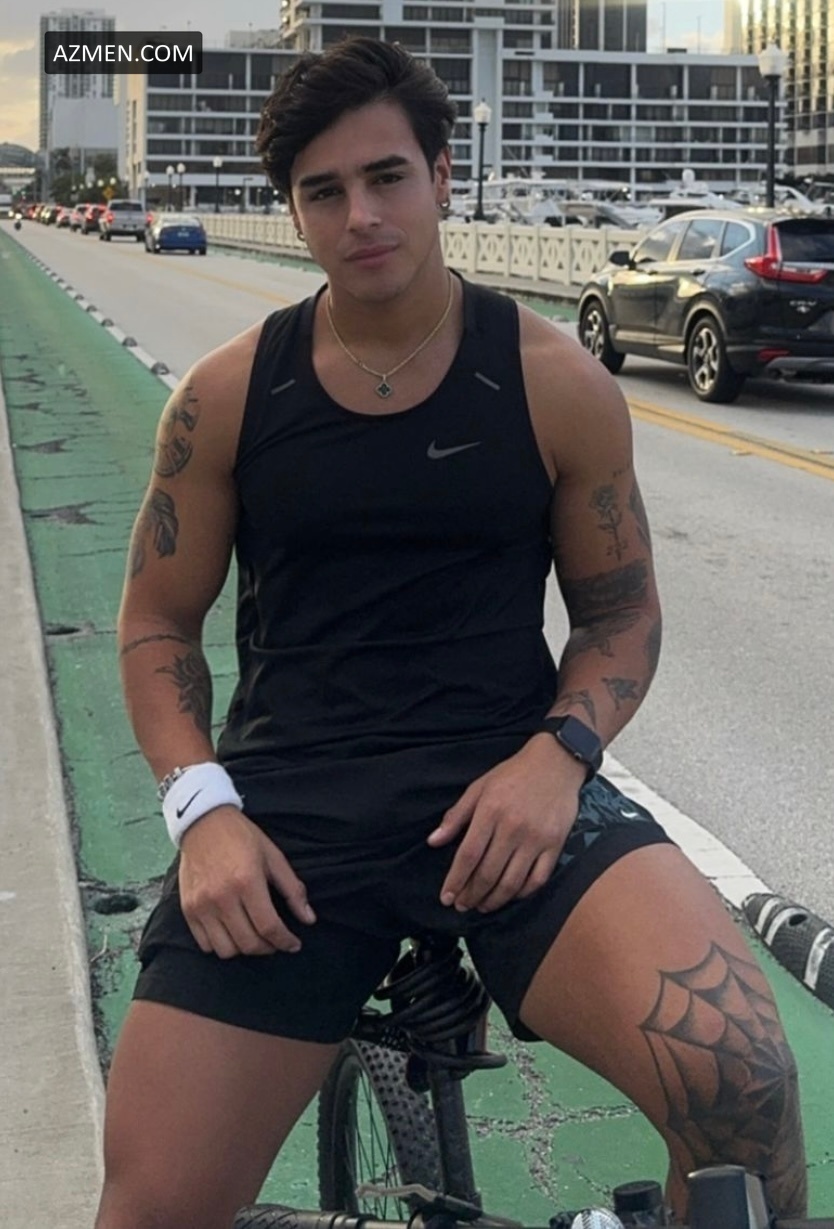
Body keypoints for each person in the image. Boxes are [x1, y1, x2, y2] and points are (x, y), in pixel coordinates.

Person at [94, 36, 806, 1229]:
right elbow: (157, 620)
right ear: (294, 210)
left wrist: (557, 759)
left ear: (439, 174)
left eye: (387, 177)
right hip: (292, 809)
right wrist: (202, 811)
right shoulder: (226, 395)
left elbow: (620, 611)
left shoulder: (554, 380)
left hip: (507, 788)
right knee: (151, 1204)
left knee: (744, 1081)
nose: (361, 216)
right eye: (324, 191)